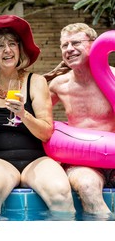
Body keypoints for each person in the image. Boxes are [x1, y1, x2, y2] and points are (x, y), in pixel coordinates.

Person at [0, 15, 75, 215]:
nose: (7, 50)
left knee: (61, 194)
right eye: (0, 46)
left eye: (12, 44)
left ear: (19, 49)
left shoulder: (36, 82)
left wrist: (23, 113)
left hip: (36, 159)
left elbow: (46, 132)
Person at [48, 23, 115, 215]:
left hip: (113, 153)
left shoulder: (114, 76)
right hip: (82, 161)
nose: (69, 49)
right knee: (87, 187)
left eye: (76, 43)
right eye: (64, 45)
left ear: (94, 45)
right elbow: (39, 118)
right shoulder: (59, 85)